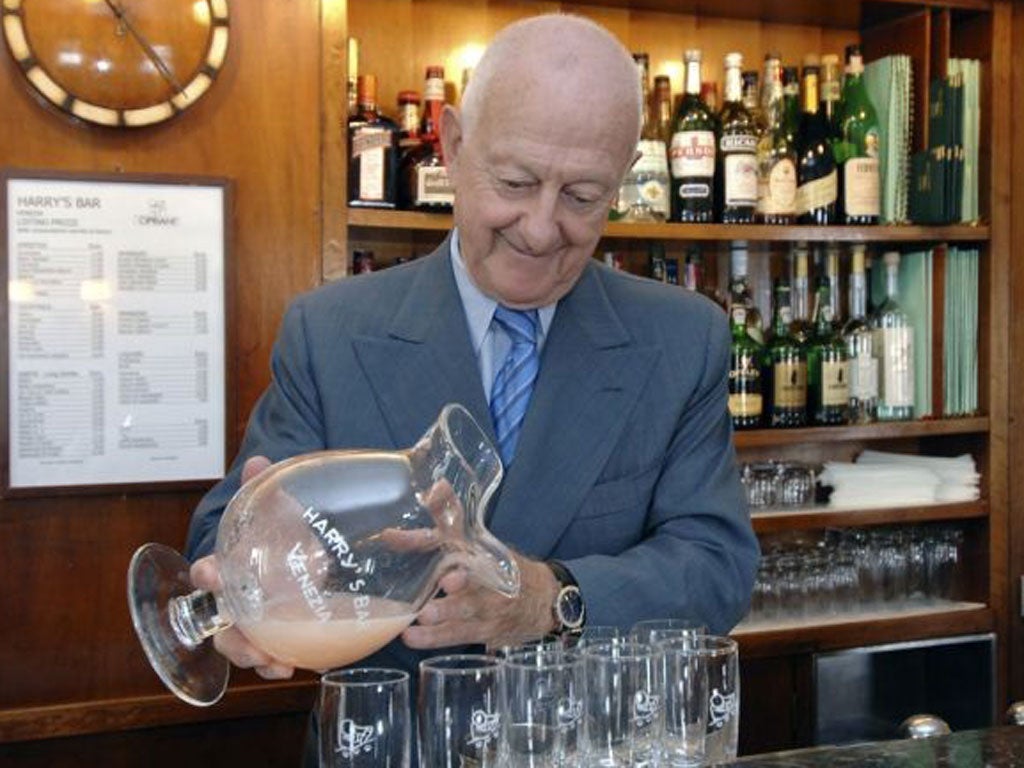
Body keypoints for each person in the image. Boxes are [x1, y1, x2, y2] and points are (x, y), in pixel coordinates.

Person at [186, 7, 759, 749]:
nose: (541, 226)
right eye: (516, 182)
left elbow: (716, 567)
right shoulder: (329, 332)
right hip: (393, 750)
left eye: (583, 197)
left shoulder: (683, 338)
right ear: (454, 146)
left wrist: (552, 598)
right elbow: (225, 525)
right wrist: (246, 571)